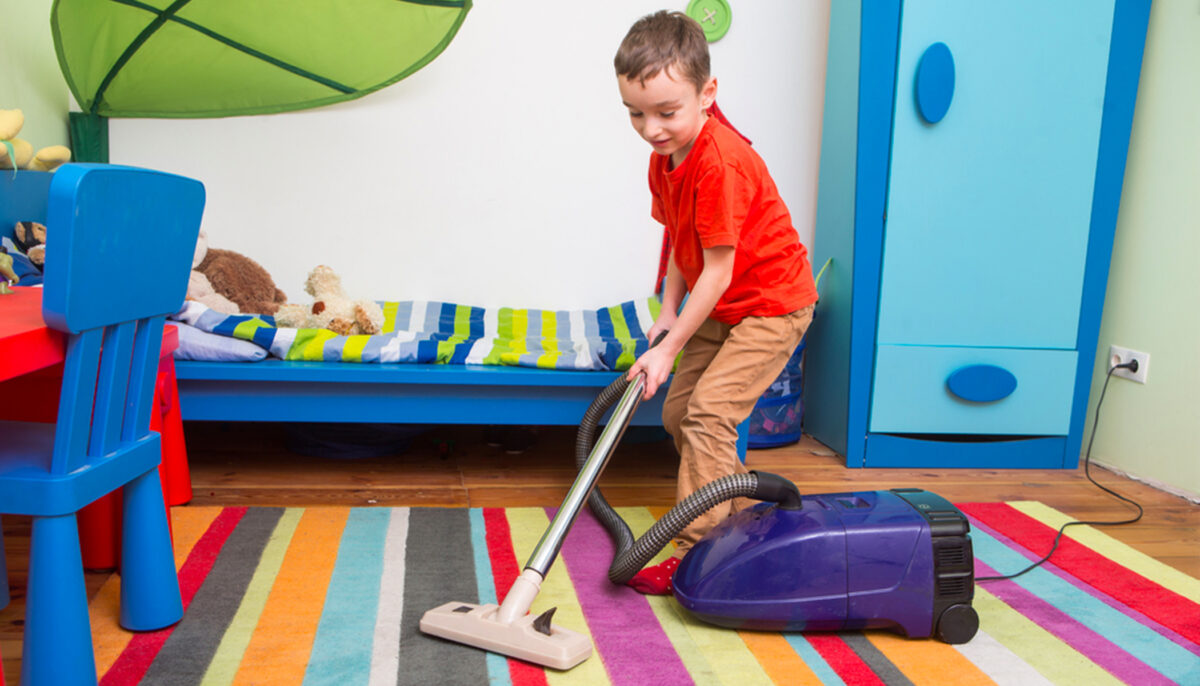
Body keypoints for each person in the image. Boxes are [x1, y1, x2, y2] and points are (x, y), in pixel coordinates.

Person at [615, 10, 819, 594]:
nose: (651, 128)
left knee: (709, 415)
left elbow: (720, 270)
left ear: (707, 93)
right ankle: (740, 519)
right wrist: (666, 314)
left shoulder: (720, 162)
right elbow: (683, 244)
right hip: (725, 303)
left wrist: (668, 348)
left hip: (772, 303)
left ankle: (697, 555)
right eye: (635, 113)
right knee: (680, 414)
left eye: (666, 112)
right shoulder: (667, 156)